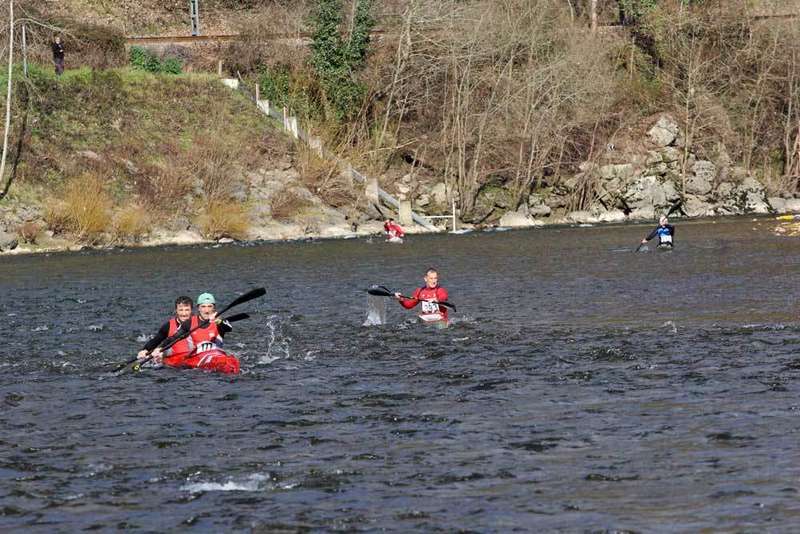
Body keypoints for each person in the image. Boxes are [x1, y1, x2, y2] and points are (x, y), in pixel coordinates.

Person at [137, 296, 198, 367]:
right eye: (181, 310)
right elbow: (156, 341)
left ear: (191, 310)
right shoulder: (168, 326)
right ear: (176, 311)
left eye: (187, 310)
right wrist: (145, 350)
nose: (184, 314)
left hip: (194, 359)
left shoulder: (199, 323)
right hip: (174, 363)